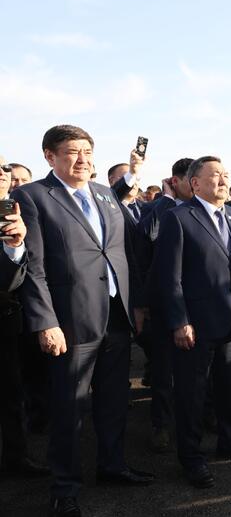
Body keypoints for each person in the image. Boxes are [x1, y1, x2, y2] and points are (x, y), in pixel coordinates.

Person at [12, 125, 154, 517]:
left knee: (114, 400)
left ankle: (112, 465)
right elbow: (33, 266)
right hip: (70, 322)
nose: (82, 159)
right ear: (49, 156)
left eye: (88, 152)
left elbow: (123, 253)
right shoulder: (33, 196)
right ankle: (64, 486)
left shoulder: (106, 194)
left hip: (116, 317)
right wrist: (45, 321)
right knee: (69, 408)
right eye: (73, 151)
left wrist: (137, 305)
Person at [152, 156, 231, 489]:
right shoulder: (178, 218)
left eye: (226, 174)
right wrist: (179, 320)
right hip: (195, 324)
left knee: (229, 386)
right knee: (192, 393)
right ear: (195, 183)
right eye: (215, 175)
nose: (223, 180)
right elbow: (169, 276)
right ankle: (191, 456)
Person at [136, 157, 195, 453]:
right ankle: (161, 424)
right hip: (163, 301)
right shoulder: (155, 209)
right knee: (163, 368)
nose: (196, 185)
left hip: (198, 302)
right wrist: (167, 201)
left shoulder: (204, 209)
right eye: (190, 180)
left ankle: (202, 415)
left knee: (200, 369)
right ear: (175, 181)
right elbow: (149, 235)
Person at [0, 172, 49, 478]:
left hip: (7, 322)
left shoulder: (12, 216)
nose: (1, 174)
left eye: (3, 168)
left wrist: (15, 246)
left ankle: (15, 458)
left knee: (11, 395)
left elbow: (10, 279)